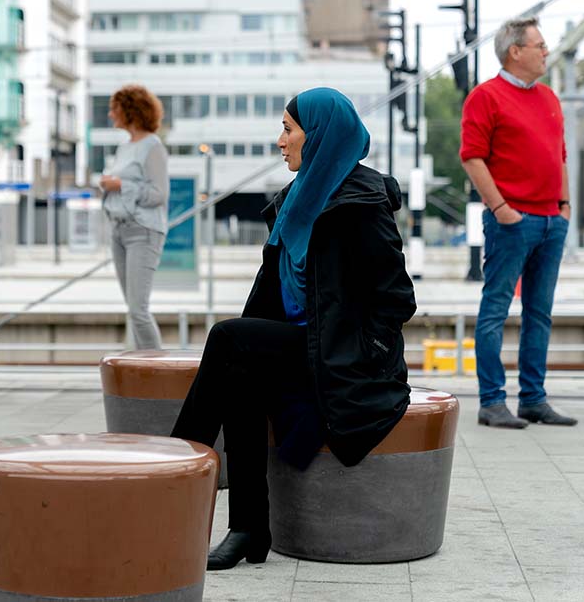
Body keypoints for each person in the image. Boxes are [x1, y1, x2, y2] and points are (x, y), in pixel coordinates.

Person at [171, 87, 416, 570]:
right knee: (239, 371)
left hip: (347, 361)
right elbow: (270, 296)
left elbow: (397, 300)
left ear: (319, 135)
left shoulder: (362, 204)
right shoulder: (294, 201)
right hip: (303, 349)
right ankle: (247, 530)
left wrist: (355, 352)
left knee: (227, 337)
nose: (280, 141)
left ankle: (170, 474)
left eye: (288, 129)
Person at [460, 17, 576, 428]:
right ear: (515, 52)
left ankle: (533, 399)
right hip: (512, 221)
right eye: (539, 45)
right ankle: (491, 402)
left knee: (539, 313)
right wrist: (500, 209)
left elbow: (558, 155)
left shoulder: (549, 97)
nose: (546, 52)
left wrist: (563, 205)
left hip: (550, 220)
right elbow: (472, 156)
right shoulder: (485, 97)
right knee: (495, 311)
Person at [99, 84, 169, 350]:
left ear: (129, 110)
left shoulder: (153, 146)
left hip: (144, 230)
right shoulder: (124, 146)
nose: (110, 114)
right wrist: (110, 185)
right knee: (132, 309)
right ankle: (145, 369)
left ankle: (157, 373)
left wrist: (121, 186)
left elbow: (158, 194)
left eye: (114, 108)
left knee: (139, 311)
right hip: (119, 230)